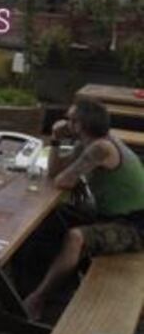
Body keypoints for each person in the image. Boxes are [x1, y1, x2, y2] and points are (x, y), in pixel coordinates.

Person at [22, 100, 144, 320]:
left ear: (79, 125)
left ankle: (39, 297)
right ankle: (43, 286)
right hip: (107, 215)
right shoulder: (90, 142)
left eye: (70, 119)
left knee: (75, 237)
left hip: (134, 225)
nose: (65, 122)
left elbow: (62, 181)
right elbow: (54, 171)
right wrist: (56, 140)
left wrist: (61, 139)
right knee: (52, 218)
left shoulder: (101, 148)